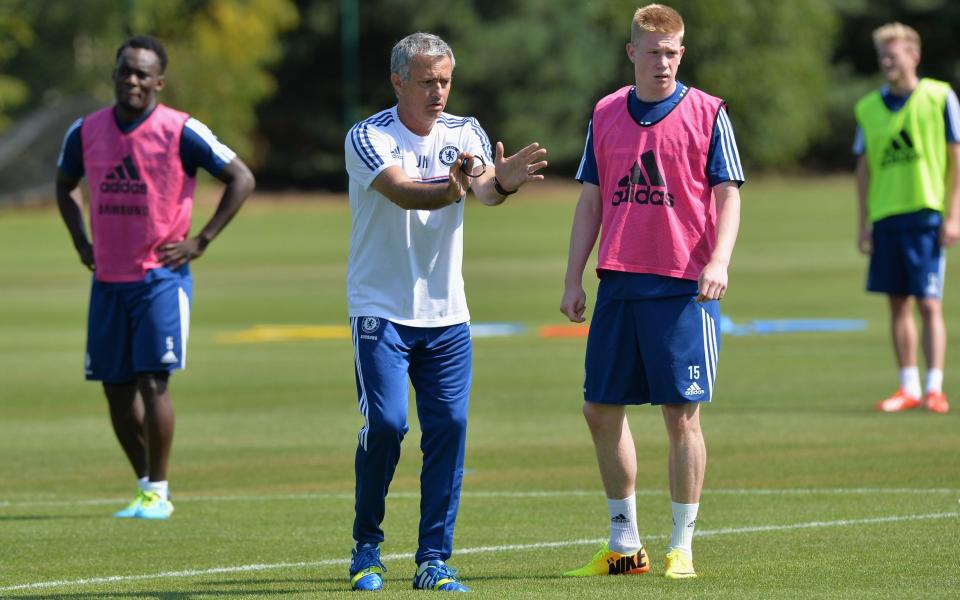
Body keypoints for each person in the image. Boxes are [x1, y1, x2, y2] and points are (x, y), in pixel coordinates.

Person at [343, 32, 547, 592]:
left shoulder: (465, 130)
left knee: (450, 428)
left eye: (446, 81)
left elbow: (482, 188)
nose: (439, 92)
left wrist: (501, 184)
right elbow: (406, 191)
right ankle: (367, 547)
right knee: (385, 426)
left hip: (447, 315)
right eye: (428, 81)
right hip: (380, 310)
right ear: (398, 82)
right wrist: (457, 186)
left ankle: (433, 559)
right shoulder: (367, 137)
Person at [560, 4, 743, 580]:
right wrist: (573, 275)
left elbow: (729, 194)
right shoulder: (606, 113)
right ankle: (624, 545)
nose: (663, 62)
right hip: (618, 279)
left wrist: (719, 259)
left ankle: (681, 546)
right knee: (599, 409)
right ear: (631, 52)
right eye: (652, 51)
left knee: (679, 414)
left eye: (672, 52)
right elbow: (590, 199)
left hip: (681, 286)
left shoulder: (709, 113)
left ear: (681, 53)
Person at [55, 35, 255, 519]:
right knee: (116, 390)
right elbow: (64, 186)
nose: (133, 80)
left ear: (159, 82)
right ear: (114, 75)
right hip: (107, 280)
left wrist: (200, 240)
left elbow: (241, 177)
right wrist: (82, 243)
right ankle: (145, 485)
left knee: (153, 381)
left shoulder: (182, 130)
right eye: (126, 70)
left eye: (143, 73)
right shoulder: (84, 131)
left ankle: (159, 492)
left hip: (159, 278)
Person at [853, 22, 960, 415]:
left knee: (929, 303)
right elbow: (863, 169)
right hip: (886, 217)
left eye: (893, 54)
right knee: (897, 304)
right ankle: (908, 386)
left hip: (926, 215)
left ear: (914, 56)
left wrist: (954, 214)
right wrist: (864, 222)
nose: (886, 61)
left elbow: (956, 158)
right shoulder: (867, 107)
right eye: (882, 54)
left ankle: (935, 387)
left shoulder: (940, 96)